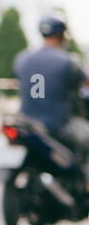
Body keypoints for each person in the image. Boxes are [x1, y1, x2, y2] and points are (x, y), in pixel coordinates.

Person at [14, 15, 89, 183]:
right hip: (58, 124)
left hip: (26, 122)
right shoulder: (69, 61)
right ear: (62, 35)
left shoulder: (21, 59)